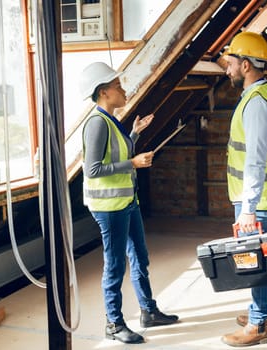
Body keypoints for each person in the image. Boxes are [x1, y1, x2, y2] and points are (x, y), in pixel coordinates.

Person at [79, 62, 179, 344]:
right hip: (110, 209)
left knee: (140, 257)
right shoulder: (97, 123)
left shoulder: (111, 121)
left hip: (126, 203)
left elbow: (115, 157)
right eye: (118, 86)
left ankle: (148, 311)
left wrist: (133, 134)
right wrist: (133, 163)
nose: (123, 90)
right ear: (103, 93)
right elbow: (93, 169)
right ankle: (113, 323)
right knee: (114, 266)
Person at [221, 31, 267, 347]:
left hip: (258, 201)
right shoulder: (260, 94)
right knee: (265, 256)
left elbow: (255, 161)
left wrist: (248, 207)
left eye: (230, 63)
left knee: (256, 260)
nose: (227, 70)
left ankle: (258, 323)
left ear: (246, 65)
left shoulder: (257, 104)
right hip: (265, 196)